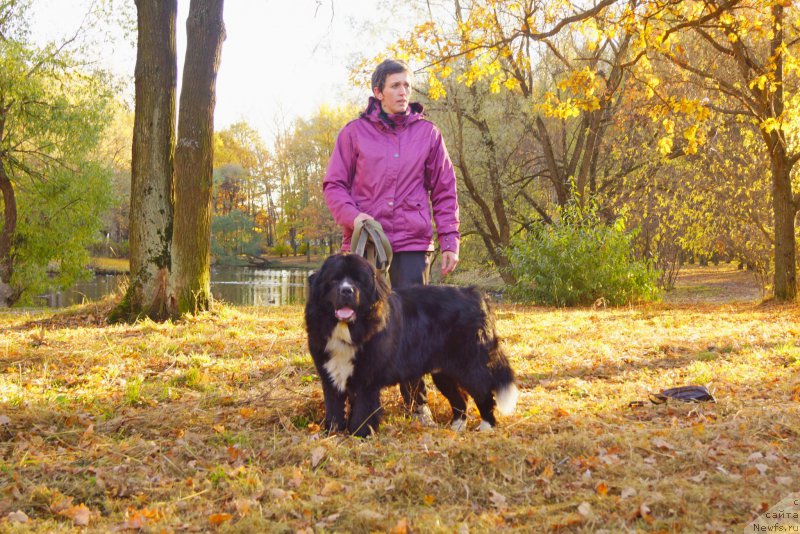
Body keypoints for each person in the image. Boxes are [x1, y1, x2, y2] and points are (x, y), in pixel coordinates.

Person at [323, 58, 461, 424]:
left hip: (414, 244)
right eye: (396, 86)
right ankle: (357, 401)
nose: (403, 92)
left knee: (412, 326)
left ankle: (416, 403)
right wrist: (355, 218)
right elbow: (334, 185)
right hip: (366, 248)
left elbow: (444, 190)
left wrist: (450, 240)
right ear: (377, 91)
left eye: (407, 86)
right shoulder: (353, 134)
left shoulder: (428, 134)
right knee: (358, 322)